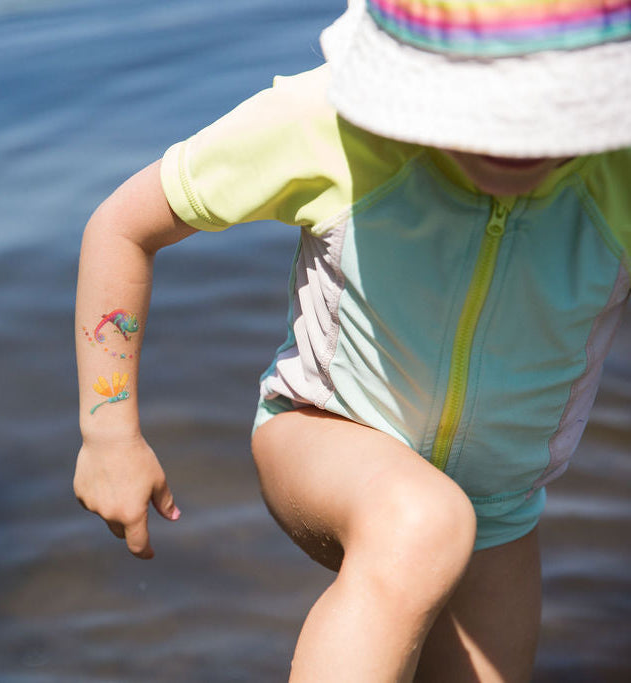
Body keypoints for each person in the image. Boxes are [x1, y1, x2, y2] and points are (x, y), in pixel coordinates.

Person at [73, 1, 631, 680]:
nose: (513, 139)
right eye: (484, 104)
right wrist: (109, 434)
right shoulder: (329, 126)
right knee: (422, 518)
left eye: (550, 107)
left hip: (503, 507)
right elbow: (123, 227)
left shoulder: (617, 176)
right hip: (320, 433)